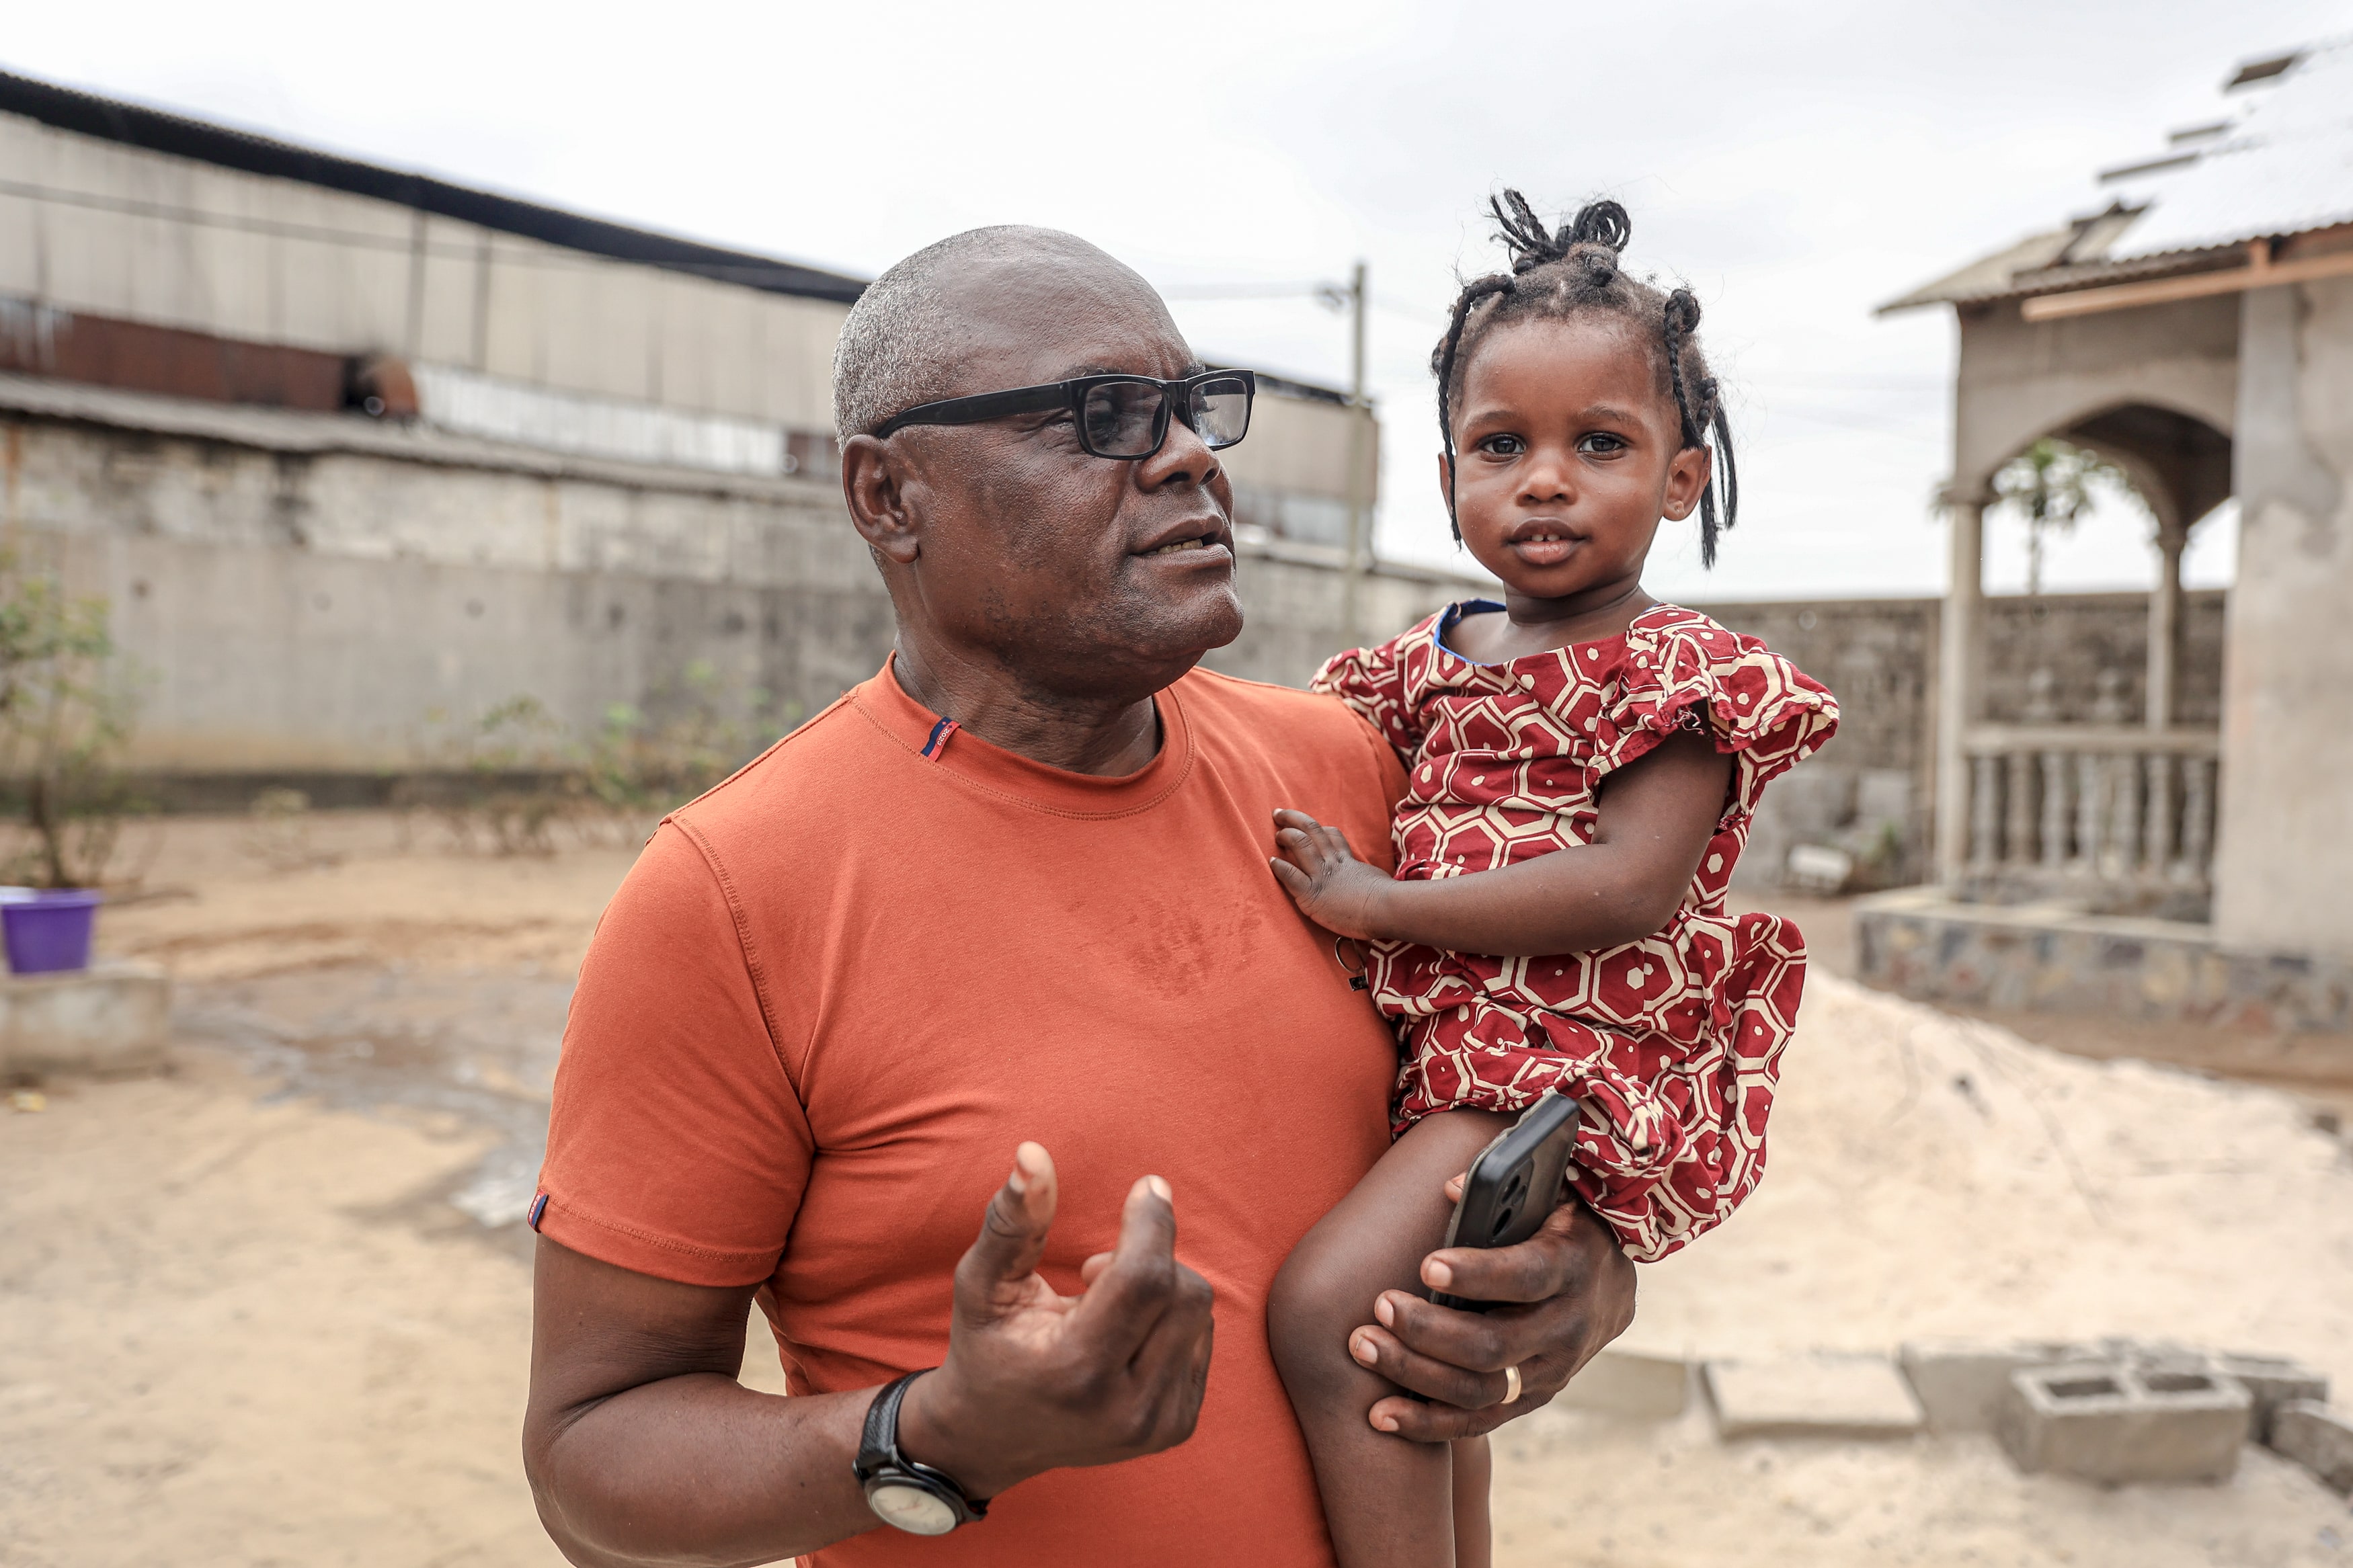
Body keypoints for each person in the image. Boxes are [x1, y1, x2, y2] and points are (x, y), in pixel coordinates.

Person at [520, 224, 1640, 1568]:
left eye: (1185, 406)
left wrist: (1582, 1287)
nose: (1185, 456)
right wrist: (936, 1437)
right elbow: (592, 1464)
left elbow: (1533, 1093)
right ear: (887, 496)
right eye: (1101, 416)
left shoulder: (1346, 782)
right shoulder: (734, 896)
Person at [1263, 194, 1839, 1568]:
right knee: (1435, 1382)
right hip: (1441, 1059)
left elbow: (1628, 888)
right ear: (1450, 469)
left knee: (1334, 1314)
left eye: (1598, 444)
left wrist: (1375, 906)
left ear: (1681, 479)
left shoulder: (1674, 675)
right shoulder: (1422, 660)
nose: (1542, 480)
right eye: (1500, 444)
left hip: (1550, 1060)